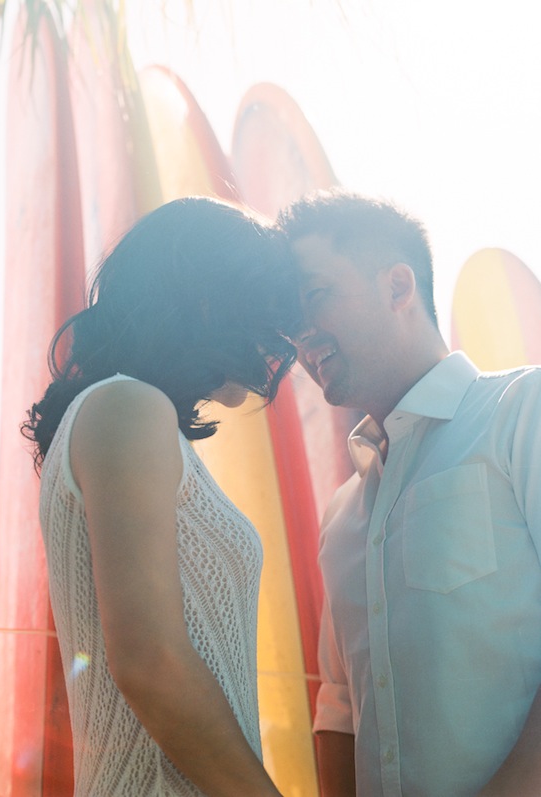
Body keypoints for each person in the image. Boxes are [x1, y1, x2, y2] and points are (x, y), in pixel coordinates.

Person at [22, 196, 300, 797]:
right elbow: (151, 661)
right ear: (205, 298)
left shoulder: (127, 414)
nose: (281, 341)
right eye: (265, 310)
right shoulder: (127, 406)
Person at [278, 188, 541, 797]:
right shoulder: (342, 514)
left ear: (398, 287)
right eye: (286, 318)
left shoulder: (523, 412)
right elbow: (341, 705)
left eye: (314, 296)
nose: (298, 333)